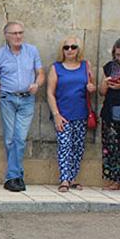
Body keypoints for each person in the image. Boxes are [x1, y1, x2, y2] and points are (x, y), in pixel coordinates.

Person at [0, 21, 43, 192]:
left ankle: (13, 176)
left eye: (20, 33)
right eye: (14, 33)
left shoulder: (32, 51)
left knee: (20, 138)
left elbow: (40, 73)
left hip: (27, 100)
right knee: (10, 138)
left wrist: (36, 84)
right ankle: (16, 176)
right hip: (8, 99)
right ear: (6, 36)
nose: (18, 36)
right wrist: (4, 92)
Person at [47, 37, 94, 192]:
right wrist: (56, 114)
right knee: (64, 145)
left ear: (78, 49)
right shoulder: (56, 68)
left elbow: (91, 86)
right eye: (66, 47)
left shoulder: (86, 66)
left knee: (78, 147)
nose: (69, 50)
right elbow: (50, 93)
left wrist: (91, 88)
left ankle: (73, 178)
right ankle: (64, 179)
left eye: (73, 47)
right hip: (63, 114)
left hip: (81, 113)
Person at [99, 37, 120, 190]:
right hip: (110, 111)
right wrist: (106, 83)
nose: (119, 58)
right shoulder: (110, 67)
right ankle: (115, 180)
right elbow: (102, 92)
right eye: (117, 54)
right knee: (111, 147)